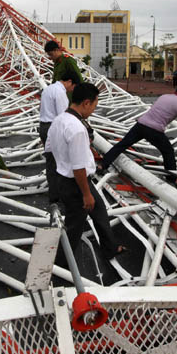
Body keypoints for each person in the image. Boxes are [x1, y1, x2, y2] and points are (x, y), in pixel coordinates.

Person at [46, 83, 126, 263]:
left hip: (66, 179)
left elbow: (49, 150)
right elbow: (78, 167)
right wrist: (86, 194)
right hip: (75, 184)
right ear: (86, 103)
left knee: (99, 212)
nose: (93, 111)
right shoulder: (76, 129)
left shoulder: (59, 120)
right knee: (75, 226)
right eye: (94, 106)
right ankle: (61, 264)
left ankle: (110, 248)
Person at [98, 83, 177, 187]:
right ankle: (173, 178)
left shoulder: (164, 96)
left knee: (122, 145)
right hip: (154, 129)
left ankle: (103, 165)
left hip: (141, 124)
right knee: (168, 151)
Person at [40, 71, 80, 203]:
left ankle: (54, 194)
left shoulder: (48, 89)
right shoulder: (60, 93)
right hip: (54, 128)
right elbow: (63, 117)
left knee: (51, 162)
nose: (72, 89)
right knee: (59, 163)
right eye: (73, 86)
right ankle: (58, 196)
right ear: (69, 82)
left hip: (44, 126)